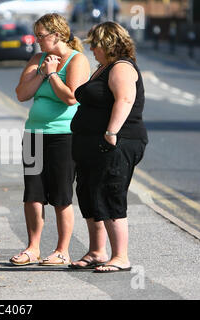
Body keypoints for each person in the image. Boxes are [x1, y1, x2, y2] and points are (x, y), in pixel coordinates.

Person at [10, 13, 90, 266]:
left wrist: (53, 73)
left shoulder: (77, 60)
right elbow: (22, 94)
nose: (37, 40)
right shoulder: (37, 60)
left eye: (41, 35)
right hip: (34, 135)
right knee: (32, 193)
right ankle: (33, 248)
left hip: (64, 136)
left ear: (57, 35)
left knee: (61, 194)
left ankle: (62, 250)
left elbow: (71, 97)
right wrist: (43, 73)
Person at [70, 22, 148, 272]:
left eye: (95, 43)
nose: (91, 48)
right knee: (90, 194)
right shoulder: (104, 67)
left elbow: (125, 99)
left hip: (117, 142)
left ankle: (120, 257)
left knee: (110, 193)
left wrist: (111, 132)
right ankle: (96, 252)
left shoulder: (122, 67)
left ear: (108, 43)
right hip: (90, 144)